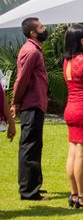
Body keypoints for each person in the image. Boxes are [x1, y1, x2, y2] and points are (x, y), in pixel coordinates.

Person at [11, 18, 49, 201]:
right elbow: (22, 79)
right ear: (33, 33)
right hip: (31, 104)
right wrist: (15, 102)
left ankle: (34, 185)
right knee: (29, 148)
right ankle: (28, 191)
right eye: (41, 27)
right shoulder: (31, 51)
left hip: (36, 104)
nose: (45, 29)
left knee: (34, 146)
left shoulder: (34, 50)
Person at [62, 24, 83, 210]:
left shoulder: (67, 61)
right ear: (82, 41)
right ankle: (82, 196)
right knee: (82, 156)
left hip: (70, 108)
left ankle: (74, 193)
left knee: (73, 153)